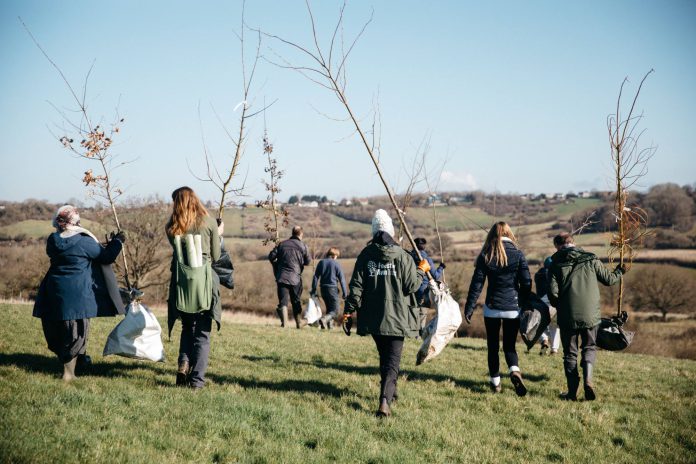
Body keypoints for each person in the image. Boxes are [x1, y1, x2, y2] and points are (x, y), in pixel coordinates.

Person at [343, 209, 428, 417]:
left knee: (386, 358)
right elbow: (412, 286)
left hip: (374, 319)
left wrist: (348, 311)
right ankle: (384, 402)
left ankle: (391, 392)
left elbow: (356, 287)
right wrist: (421, 270)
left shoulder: (365, 255)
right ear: (390, 231)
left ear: (374, 232)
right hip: (398, 317)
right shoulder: (403, 256)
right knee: (392, 362)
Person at [33, 205, 125, 381]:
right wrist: (118, 242)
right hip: (78, 293)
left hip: (54, 290)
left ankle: (81, 361)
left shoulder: (53, 240)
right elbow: (106, 257)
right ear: (76, 221)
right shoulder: (84, 241)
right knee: (77, 332)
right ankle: (69, 375)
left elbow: (75, 251)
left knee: (61, 329)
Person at [548, 232, 623, 401]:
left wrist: (560, 305)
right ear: (573, 243)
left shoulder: (555, 264)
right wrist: (619, 271)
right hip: (591, 315)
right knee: (589, 347)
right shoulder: (590, 258)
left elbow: (552, 294)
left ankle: (572, 393)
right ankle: (588, 381)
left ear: (558, 246)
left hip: (567, 316)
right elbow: (609, 280)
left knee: (570, 353)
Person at [463, 222, 531, 396]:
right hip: (512, 308)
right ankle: (514, 370)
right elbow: (526, 282)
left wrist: (469, 307)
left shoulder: (486, 254)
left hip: (492, 307)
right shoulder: (518, 254)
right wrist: (524, 302)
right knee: (509, 346)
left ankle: (496, 383)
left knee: (492, 347)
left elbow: (476, 284)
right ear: (509, 233)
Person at [166, 186, 224, 389]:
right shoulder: (208, 222)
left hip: (182, 284)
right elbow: (216, 256)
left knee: (186, 328)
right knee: (202, 333)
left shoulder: (171, 226)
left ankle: (184, 362)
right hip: (204, 284)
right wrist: (219, 233)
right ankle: (197, 381)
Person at [269, 226, 311, 329]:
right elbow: (308, 262)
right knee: (296, 301)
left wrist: (276, 266)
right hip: (296, 278)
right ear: (301, 234)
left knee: (283, 301)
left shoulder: (282, 244)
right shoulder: (303, 246)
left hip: (282, 276)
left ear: (292, 233)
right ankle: (299, 323)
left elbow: (271, 256)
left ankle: (285, 324)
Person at [409, 237, 445, 336]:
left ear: (414, 245)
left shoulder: (407, 258)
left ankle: (412, 334)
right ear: (424, 247)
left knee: (412, 312)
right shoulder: (427, 260)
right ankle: (419, 335)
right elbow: (436, 276)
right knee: (422, 313)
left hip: (409, 290)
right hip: (423, 291)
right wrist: (441, 267)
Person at [311, 247, 347, 330]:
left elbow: (315, 277)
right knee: (336, 311)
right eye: (337, 256)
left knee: (330, 309)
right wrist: (345, 293)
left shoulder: (321, 263)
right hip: (332, 289)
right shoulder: (336, 264)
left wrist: (313, 289)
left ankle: (329, 328)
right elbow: (342, 279)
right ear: (334, 255)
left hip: (323, 289)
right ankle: (323, 320)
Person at [535, 256, 560, 355]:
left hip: (540, 303)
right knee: (555, 327)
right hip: (553, 304)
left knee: (541, 325)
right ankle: (554, 349)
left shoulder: (538, 275)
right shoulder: (555, 275)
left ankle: (544, 340)